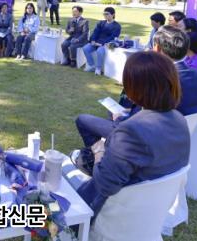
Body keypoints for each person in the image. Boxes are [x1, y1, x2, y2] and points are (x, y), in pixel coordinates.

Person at [74, 51, 190, 215]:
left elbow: (104, 186)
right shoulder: (179, 119)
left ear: (135, 87)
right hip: (153, 211)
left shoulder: (131, 132)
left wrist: (99, 151)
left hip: (114, 213)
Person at [83, 7, 122, 75]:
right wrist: (93, 40)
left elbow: (113, 37)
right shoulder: (101, 23)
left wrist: (101, 43)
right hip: (96, 42)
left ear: (113, 14)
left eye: (107, 14)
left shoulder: (117, 26)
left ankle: (98, 68)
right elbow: (95, 32)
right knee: (85, 48)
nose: (105, 15)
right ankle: (91, 65)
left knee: (100, 51)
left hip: (106, 44)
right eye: (104, 14)